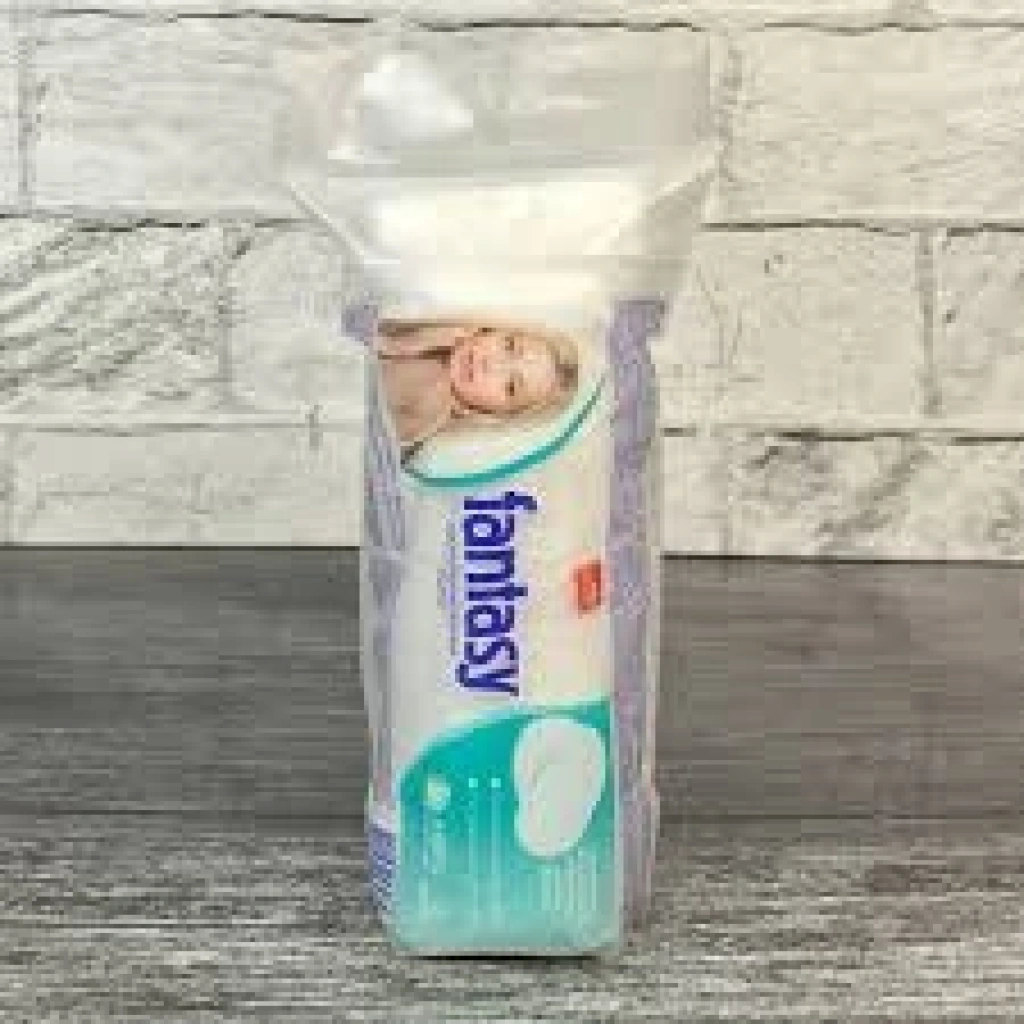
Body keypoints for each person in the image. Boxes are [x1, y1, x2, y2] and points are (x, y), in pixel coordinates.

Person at [374, 316, 581, 462]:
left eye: (510, 386)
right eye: (509, 346)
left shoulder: (432, 400)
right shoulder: (423, 320)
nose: (491, 364)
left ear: (496, 413)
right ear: (491, 329)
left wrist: (402, 343)